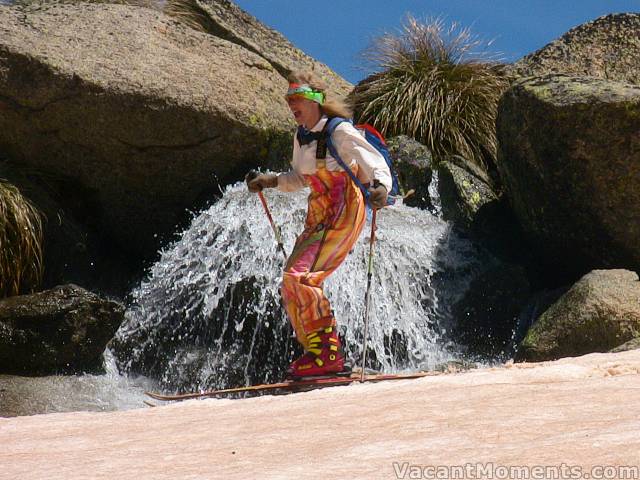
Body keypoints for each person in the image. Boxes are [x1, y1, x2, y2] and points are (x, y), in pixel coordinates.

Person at [246, 71, 392, 378]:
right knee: (291, 280)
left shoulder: (339, 131)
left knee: (302, 276)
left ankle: (328, 354)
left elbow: (373, 160)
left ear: (316, 101)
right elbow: (302, 177)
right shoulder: (301, 135)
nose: (292, 104)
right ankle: (317, 350)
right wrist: (271, 181)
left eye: (297, 98)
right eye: (289, 99)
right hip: (319, 212)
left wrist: (381, 187)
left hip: (344, 209)